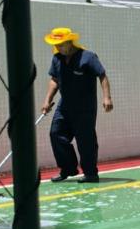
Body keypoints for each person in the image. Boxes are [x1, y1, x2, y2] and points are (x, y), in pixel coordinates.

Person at [40, 27, 113, 182]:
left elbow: (102, 75)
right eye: (55, 44)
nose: (57, 47)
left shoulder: (88, 57)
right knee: (56, 134)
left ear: (70, 42)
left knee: (85, 140)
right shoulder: (57, 58)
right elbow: (54, 80)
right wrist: (47, 100)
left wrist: (107, 97)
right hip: (64, 105)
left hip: (85, 107)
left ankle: (91, 174)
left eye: (60, 44)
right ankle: (68, 168)